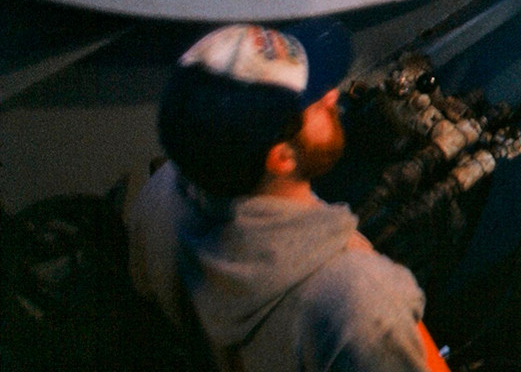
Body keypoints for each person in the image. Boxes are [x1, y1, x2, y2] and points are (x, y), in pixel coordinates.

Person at [127, 22, 451, 371]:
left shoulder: (156, 197)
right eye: (312, 102)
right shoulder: (362, 298)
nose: (332, 94)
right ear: (281, 157)